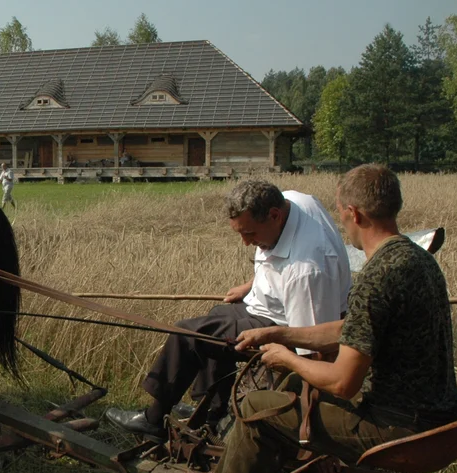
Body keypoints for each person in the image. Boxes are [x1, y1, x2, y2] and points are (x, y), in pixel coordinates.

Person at [199, 163, 457, 473]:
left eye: (341, 213)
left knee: (257, 407)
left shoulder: (376, 277)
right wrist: (283, 333)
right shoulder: (416, 260)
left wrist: (287, 357)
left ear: (353, 213)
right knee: (290, 385)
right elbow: (352, 329)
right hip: (434, 414)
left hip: (397, 426)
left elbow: (342, 384)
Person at [106, 179, 351, 437]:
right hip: (271, 303)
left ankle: (153, 419)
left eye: (250, 234)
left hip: (281, 325)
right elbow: (277, 261)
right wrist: (251, 284)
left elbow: (312, 342)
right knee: (215, 318)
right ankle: (211, 411)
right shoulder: (296, 201)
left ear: (275, 215)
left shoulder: (307, 274)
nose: (246, 243)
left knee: (189, 335)